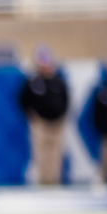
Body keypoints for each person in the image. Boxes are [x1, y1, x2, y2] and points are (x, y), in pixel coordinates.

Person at [19, 47, 70, 185]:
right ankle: (43, 180)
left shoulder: (58, 82)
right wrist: (32, 115)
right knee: (41, 153)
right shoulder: (33, 82)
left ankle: (54, 180)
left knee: (55, 153)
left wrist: (61, 115)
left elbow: (66, 99)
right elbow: (23, 100)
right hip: (40, 123)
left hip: (56, 123)